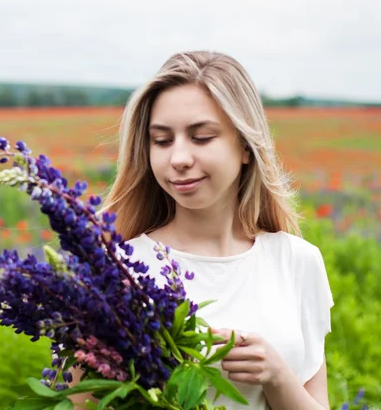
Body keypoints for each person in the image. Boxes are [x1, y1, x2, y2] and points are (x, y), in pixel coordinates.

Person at [70, 50, 334, 410]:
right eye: (162, 141)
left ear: (244, 145)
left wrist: (276, 375)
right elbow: (82, 404)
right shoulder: (119, 270)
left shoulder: (297, 261)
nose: (178, 158)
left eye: (201, 137)